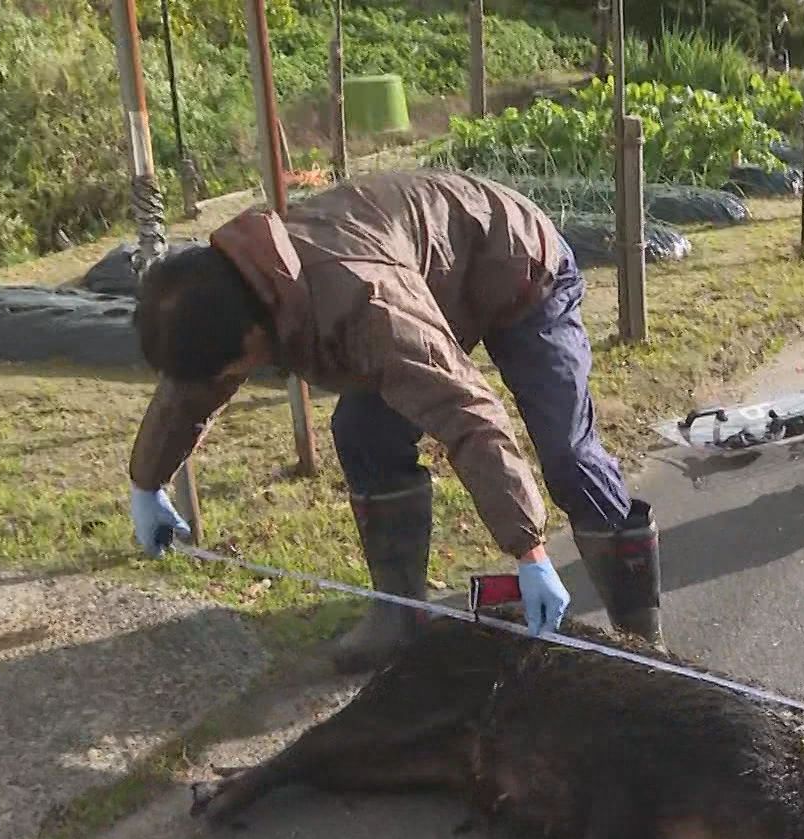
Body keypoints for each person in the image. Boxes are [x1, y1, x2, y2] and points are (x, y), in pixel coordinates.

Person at [123, 170, 663, 671]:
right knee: (363, 434)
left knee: (568, 454)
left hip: (523, 270)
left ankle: (644, 643)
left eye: (238, 363)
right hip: (431, 283)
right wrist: (147, 482)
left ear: (255, 332)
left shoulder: (365, 303)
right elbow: (194, 384)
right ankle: (398, 619)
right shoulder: (227, 291)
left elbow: (467, 413)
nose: (236, 374)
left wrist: (529, 551)